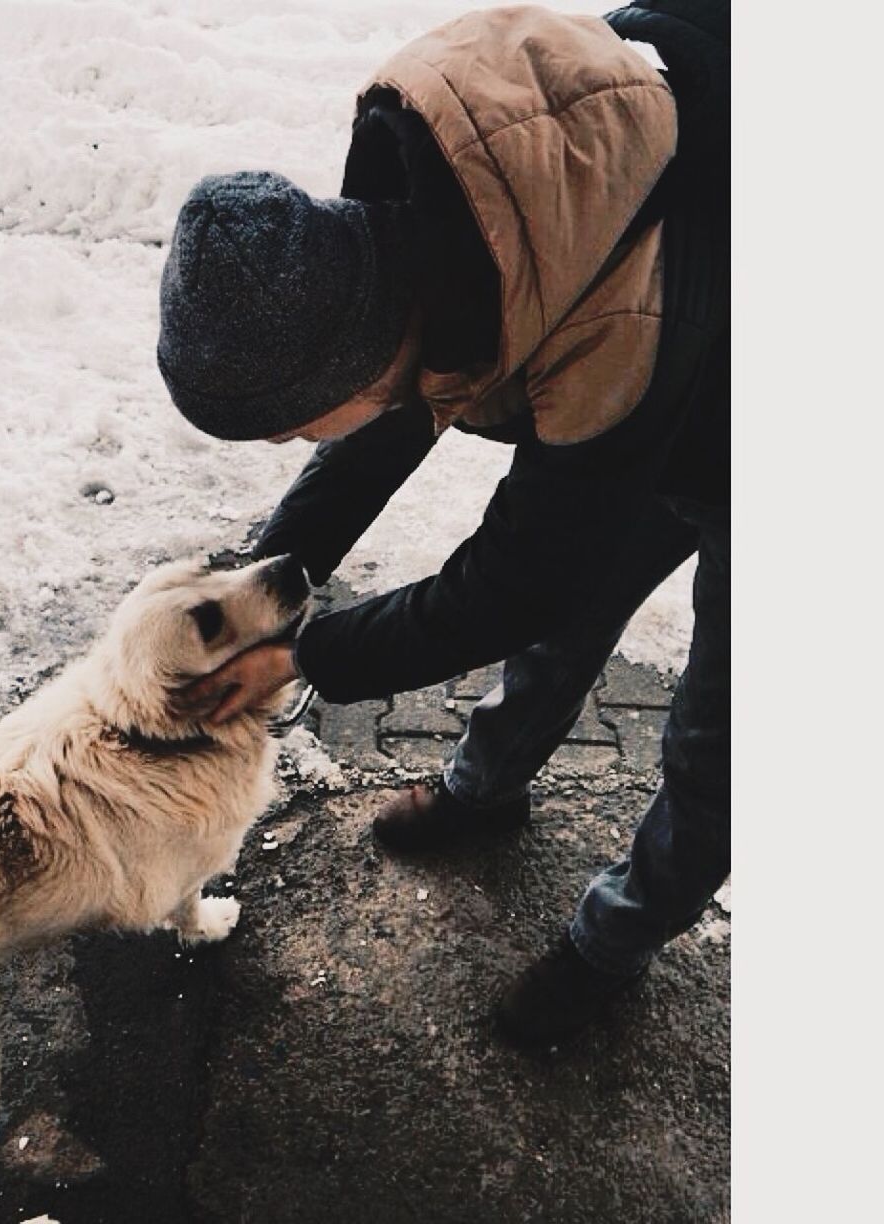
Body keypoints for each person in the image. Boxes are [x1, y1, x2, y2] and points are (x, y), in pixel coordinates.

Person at [156, 0, 729, 1048]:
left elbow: (516, 579)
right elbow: (396, 401)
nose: (295, 446)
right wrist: (262, 586)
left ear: (340, 363)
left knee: (720, 739)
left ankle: (613, 943)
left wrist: (297, 654)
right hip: (673, 340)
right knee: (572, 625)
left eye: (286, 428)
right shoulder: (408, 220)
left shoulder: (606, 319)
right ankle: (485, 789)